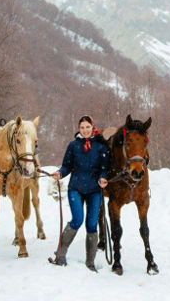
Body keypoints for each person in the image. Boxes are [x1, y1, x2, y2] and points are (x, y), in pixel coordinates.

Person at [51, 115, 109, 271]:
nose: (85, 130)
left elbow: (104, 168)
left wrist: (103, 178)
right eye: (82, 127)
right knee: (77, 220)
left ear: (92, 127)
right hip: (75, 188)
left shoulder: (100, 147)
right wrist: (59, 173)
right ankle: (61, 253)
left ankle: (90, 261)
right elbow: (66, 166)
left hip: (94, 190)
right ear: (79, 129)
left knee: (91, 225)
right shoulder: (73, 146)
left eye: (87, 127)